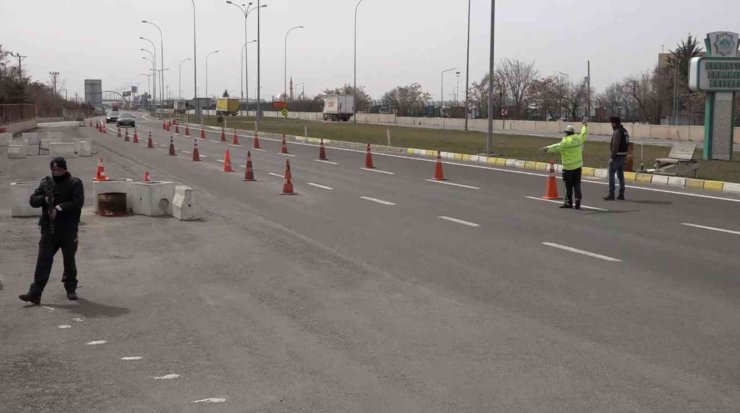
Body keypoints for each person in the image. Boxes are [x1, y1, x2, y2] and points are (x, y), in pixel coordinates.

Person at [19, 157, 84, 305]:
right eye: (54, 170)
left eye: (59, 169)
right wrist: (44, 199)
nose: (56, 172)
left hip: (68, 229)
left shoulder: (75, 183)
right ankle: (35, 293)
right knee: (43, 260)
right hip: (49, 229)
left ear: (65, 169)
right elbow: (33, 201)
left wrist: (59, 208)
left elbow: (77, 203)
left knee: (69, 261)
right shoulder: (46, 183)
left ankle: (70, 288)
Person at [541, 121, 588, 209]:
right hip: (578, 167)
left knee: (568, 185)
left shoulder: (565, 141)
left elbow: (556, 147)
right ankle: (578, 200)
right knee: (577, 184)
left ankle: (568, 202)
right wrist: (585, 125)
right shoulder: (579, 138)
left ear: (566, 133)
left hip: (568, 168)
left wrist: (547, 149)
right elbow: (584, 133)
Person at [604, 116, 629, 200]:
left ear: (614, 123)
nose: (611, 125)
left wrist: (612, 157)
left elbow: (615, 146)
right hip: (623, 155)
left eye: (611, 123)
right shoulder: (625, 131)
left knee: (611, 173)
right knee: (620, 175)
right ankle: (621, 193)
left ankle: (611, 193)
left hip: (617, 156)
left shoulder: (617, 132)